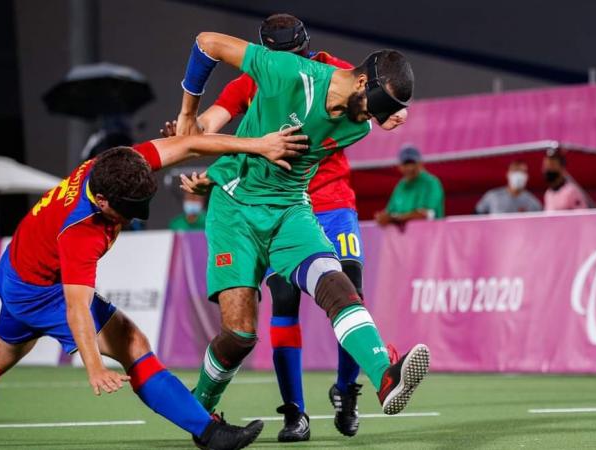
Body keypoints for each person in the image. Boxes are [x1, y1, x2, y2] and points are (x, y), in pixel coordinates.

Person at [175, 30, 430, 438]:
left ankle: (385, 373)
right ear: (362, 83)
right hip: (235, 213)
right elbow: (206, 42)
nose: (367, 121)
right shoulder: (285, 71)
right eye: (373, 109)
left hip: (292, 210)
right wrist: (189, 114)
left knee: (338, 284)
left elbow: (370, 110)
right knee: (239, 335)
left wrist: (391, 109)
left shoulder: (359, 124)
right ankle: (200, 412)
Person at [0, 131, 307, 450]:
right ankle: (209, 434)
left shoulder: (118, 166)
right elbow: (76, 309)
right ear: (102, 202)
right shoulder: (81, 233)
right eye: (126, 212)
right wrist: (95, 367)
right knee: (133, 344)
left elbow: (189, 144)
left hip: (15, 267)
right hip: (39, 291)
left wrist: (259, 145)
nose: (130, 220)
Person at [374, 145, 445, 226]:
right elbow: (389, 213)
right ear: (399, 166)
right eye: (406, 164)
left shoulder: (431, 183)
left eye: (412, 163)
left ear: (420, 163)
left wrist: (394, 218)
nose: (409, 168)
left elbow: (426, 215)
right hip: (405, 238)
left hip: (431, 236)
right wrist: (382, 217)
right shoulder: (400, 186)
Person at [475, 160, 542, 214]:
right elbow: (476, 216)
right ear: (508, 174)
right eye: (515, 170)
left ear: (527, 176)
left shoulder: (533, 202)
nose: (519, 175)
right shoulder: (492, 196)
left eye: (522, 171)